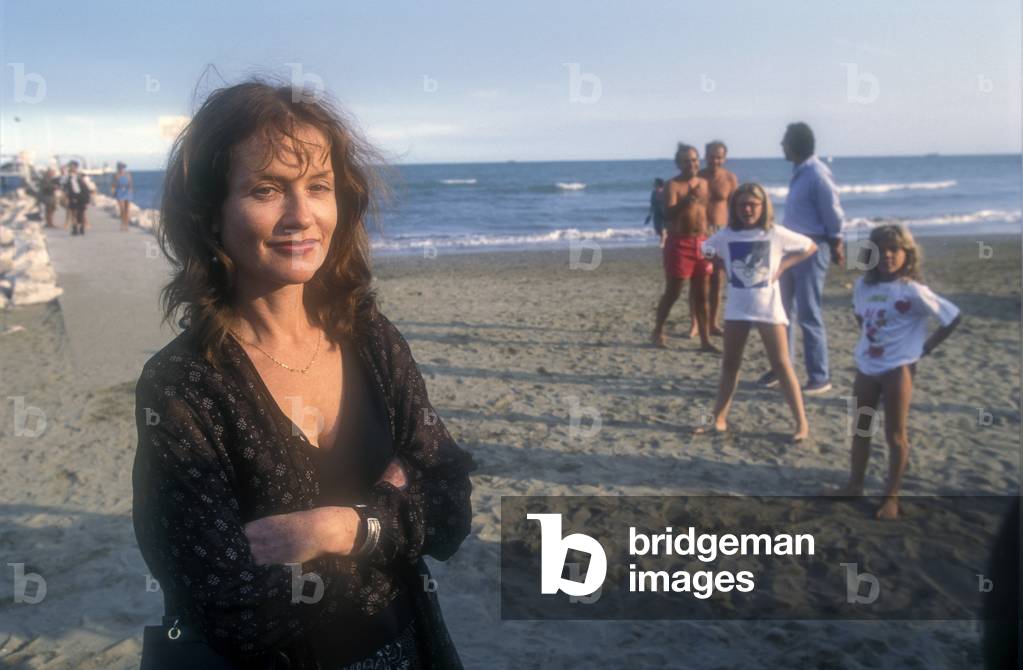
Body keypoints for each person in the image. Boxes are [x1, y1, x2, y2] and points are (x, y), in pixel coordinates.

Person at [131, 79, 477, 668]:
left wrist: (338, 530)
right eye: (266, 189)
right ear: (210, 214)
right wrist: (392, 521)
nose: (301, 216)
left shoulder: (370, 338)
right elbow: (233, 610)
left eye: (319, 186)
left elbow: (450, 509)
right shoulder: (183, 386)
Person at [821, 224, 960, 520]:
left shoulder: (913, 290)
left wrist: (924, 349)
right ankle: (855, 485)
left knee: (895, 435)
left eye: (894, 249)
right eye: (880, 250)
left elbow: (951, 317)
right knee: (861, 428)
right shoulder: (864, 286)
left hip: (898, 370)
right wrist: (871, 341)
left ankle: (891, 496)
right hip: (867, 368)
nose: (887, 255)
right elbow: (860, 316)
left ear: (907, 253)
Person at [696, 183, 815, 442]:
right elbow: (704, 249)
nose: (747, 209)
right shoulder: (727, 235)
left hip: (768, 309)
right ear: (734, 208)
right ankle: (719, 417)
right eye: (742, 205)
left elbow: (809, 246)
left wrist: (783, 266)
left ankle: (801, 423)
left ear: (763, 207)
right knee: (730, 364)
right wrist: (722, 265)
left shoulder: (775, 233)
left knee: (782, 365)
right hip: (737, 309)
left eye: (753, 204)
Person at [757, 122, 845, 396]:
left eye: (785, 140)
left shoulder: (817, 173)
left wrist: (836, 240)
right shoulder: (801, 172)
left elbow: (833, 211)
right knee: (782, 311)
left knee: (809, 313)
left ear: (795, 144)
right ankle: (782, 368)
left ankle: (819, 376)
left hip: (811, 247)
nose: (782, 145)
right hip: (790, 248)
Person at [651, 143, 718, 352]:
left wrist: (714, 237)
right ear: (679, 164)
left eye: (695, 160)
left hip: (704, 242)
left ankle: (705, 340)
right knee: (674, 291)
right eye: (687, 161)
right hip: (680, 242)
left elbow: (708, 213)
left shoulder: (704, 184)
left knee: (702, 294)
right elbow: (668, 214)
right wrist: (686, 201)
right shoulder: (673, 185)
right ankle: (658, 330)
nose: (692, 164)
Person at [689, 140, 737, 338]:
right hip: (701, 233)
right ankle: (694, 323)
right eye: (711, 156)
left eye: (718, 157)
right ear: (705, 156)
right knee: (698, 279)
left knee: (717, 279)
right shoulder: (697, 178)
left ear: (724, 158)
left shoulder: (729, 178)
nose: (714, 160)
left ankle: (712, 323)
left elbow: (735, 207)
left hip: (721, 233)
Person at [62, 160, 94, 235]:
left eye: (73, 166)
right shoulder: (67, 176)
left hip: (82, 196)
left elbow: (86, 186)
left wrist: (87, 198)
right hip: (73, 196)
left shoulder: (81, 175)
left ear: (76, 167)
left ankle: (81, 226)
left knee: (81, 213)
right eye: (70, 166)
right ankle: (75, 228)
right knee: (74, 213)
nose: (71, 168)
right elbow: (64, 184)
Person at [111, 161, 134, 231]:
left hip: (127, 192)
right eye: (121, 167)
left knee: (127, 210)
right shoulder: (116, 175)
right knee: (122, 209)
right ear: (118, 168)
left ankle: (126, 225)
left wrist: (130, 190)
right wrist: (113, 191)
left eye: (123, 167)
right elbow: (113, 184)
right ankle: (122, 224)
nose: (122, 168)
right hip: (119, 191)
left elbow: (130, 183)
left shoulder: (128, 174)